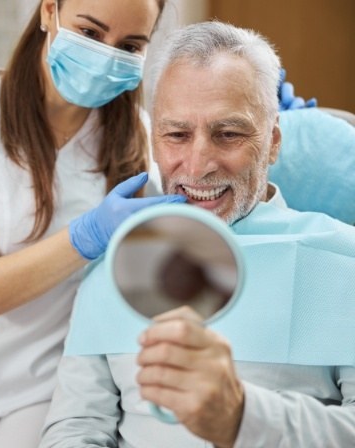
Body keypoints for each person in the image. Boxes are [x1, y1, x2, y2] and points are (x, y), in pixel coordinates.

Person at [39, 21, 355, 447]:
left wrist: (242, 417)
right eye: (177, 135)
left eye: (228, 134)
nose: (198, 164)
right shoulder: (114, 263)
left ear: (273, 142)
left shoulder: (343, 262)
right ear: (154, 142)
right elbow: (75, 426)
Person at [0, 1, 191, 447]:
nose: (106, 55)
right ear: (48, 12)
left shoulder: (137, 136)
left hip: (51, 381)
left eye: (130, 45)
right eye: (90, 33)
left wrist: (267, 126)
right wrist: (87, 236)